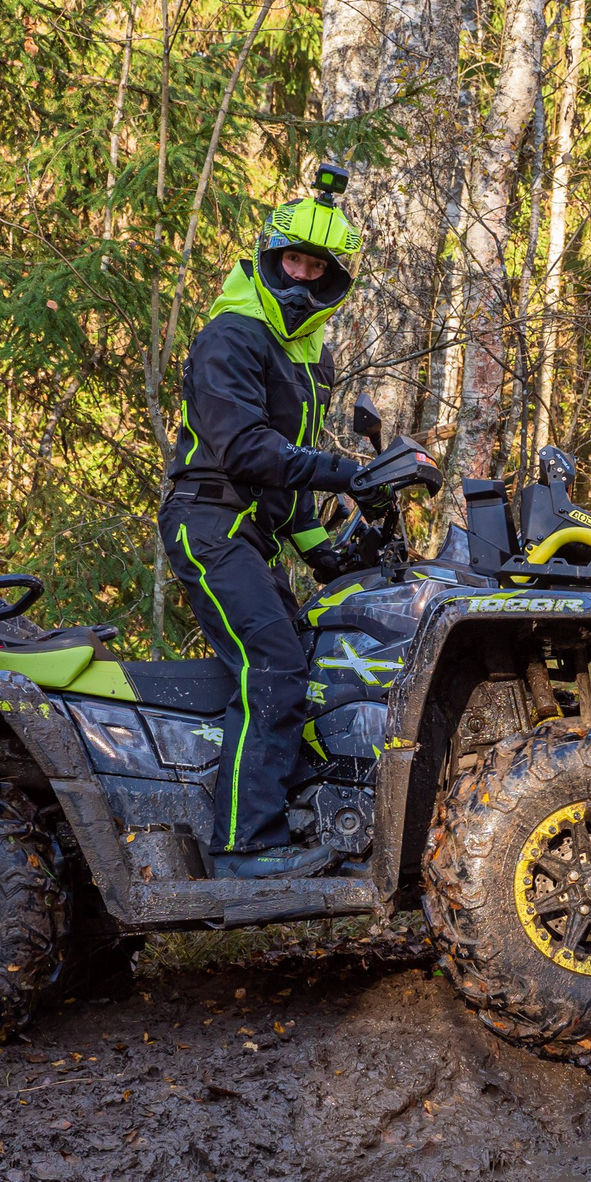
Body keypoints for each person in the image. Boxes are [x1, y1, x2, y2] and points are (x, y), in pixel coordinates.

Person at [161, 168, 378, 879]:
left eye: (316, 268)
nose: (301, 277)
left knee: (308, 657)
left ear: (332, 279)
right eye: (293, 261)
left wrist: (334, 556)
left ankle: (295, 816)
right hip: (208, 522)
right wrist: (343, 470)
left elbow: (286, 496)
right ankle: (242, 847)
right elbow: (246, 450)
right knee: (274, 665)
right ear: (269, 256)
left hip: (251, 533)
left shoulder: (307, 359)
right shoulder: (233, 335)